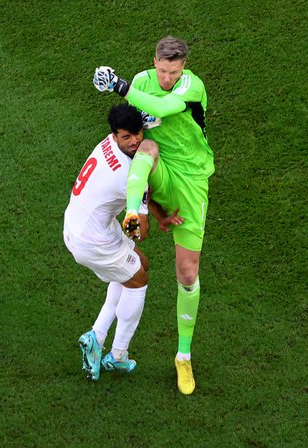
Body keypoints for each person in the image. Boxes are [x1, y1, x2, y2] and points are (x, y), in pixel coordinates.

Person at [92, 36, 214, 394]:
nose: (167, 78)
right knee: (145, 146)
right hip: (160, 168)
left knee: (187, 273)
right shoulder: (144, 81)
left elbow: (165, 107)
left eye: (173, 72)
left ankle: (183, 357)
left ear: (184, 67)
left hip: (191, 182)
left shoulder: (192, 87)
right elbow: (129, 129)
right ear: (155, 62)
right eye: (163, 70)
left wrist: (118, 85)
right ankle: (133, 212)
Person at [63, 103, 155, 381]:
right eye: (126, 137)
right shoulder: (129, 177)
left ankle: (96, 337)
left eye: (137, 133)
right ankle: (118, 356)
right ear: (115, 135)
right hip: (93, 241)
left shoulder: (108, 143)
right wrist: (147, 199)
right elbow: (143, 232)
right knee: (138, 280)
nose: (135, 141)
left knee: (140, 264)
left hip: (82, 222)